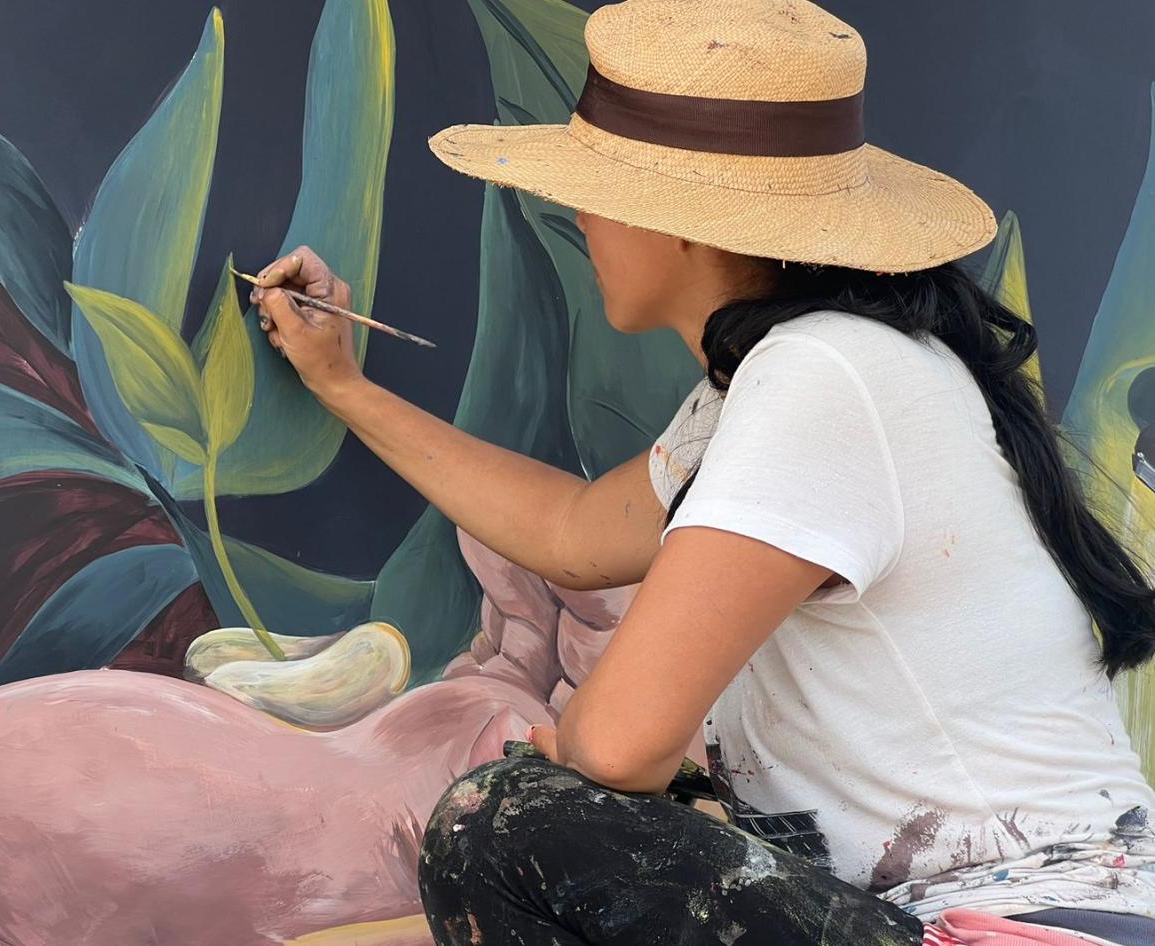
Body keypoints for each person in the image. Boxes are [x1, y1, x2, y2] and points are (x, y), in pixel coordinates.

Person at [249, 1, 1155, 942]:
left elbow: (615, 746)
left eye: (598, 191)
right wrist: (343, 385)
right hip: (944, 916)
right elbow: (570, 532)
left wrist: (589, 751)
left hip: (1024, 920)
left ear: (685, 224)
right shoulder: (797, 375)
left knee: (505, 825)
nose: (577, 215)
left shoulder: (823, 374)